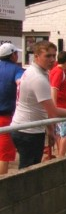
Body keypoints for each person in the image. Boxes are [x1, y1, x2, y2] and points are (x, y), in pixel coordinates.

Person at [10, 41, 66, 169]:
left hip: (26, 127)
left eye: (54, 56)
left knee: (30, 167)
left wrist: (50, 129)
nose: (52, 59)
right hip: (28, 130)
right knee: (29, 170)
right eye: (47, 56)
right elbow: (52, 110)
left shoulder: (36, 72)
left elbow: (44, 109)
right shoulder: (38, 77)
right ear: (36, 57)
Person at [0, 43, 24, 174]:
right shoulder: (16, 70)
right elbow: (21, 84)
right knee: (4, 155)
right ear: (12, 55)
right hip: (5, 118)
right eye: (16, 53)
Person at [49, 51, 66, 157]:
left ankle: (60, 153)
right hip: (61, 107)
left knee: (60, 132)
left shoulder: (55, 70)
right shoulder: (59, 71)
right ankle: (61, 155)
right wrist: (54, 107)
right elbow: (54, 88)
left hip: (60, 106)